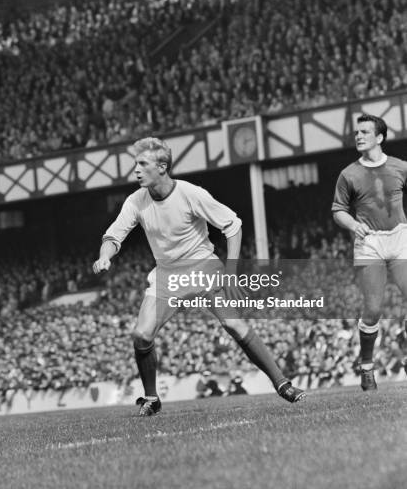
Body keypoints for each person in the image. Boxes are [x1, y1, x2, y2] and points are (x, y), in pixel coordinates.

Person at [92, 137, 305, 416]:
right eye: (136, 164)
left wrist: (230, 272)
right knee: (141, 336)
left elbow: (233, 225)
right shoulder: (136, 201)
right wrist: (105, 255)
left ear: (162, 167)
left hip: (203, 267)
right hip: (167, 276)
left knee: (235, 326)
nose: (136, 170)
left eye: (143, 164)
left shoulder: (191, 194)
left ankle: (282, 383)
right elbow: (114, 234)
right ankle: (152, 398)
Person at [332, 114, 407, 391]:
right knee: (374, 309)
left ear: (380, 137)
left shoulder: (400, 167)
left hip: (400, 238)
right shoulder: (348, 174)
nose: (359, 136)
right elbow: (338, 210)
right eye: (356, 132)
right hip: (370, 243)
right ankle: (366, 367)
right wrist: (352, 224)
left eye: (365, 132)